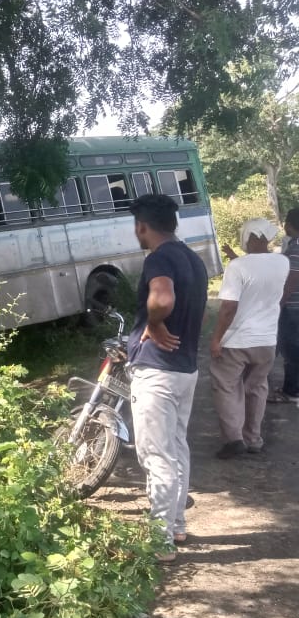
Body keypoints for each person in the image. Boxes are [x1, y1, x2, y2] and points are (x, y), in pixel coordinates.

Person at [126, 194, 209, 562]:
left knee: (156, 454)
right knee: (176, 448)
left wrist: (155, 323)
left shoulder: (158, 257)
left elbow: (161, 297)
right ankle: (176, 526)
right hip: (185, 369)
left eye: (136, 227)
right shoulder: (193, 258)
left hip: (157, 370)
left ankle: (158, 541)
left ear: (142, 226)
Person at [209, 219, 290, 458]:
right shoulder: (282, 262)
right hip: (266, 340)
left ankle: (233, 439)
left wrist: (216, 339)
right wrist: (236, 257)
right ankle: (253, 439)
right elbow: (258, 273)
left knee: (226, 386)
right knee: (256, 388)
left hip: (237, 341)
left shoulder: (238, 267)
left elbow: (228, 308)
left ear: (251, 237)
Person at [269, 207, 299, 403]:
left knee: (292, 349)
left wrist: (278, 304)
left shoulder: (296, 248)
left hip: (293, 308)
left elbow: (291, 281)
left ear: (290, 225)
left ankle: (292, 391)